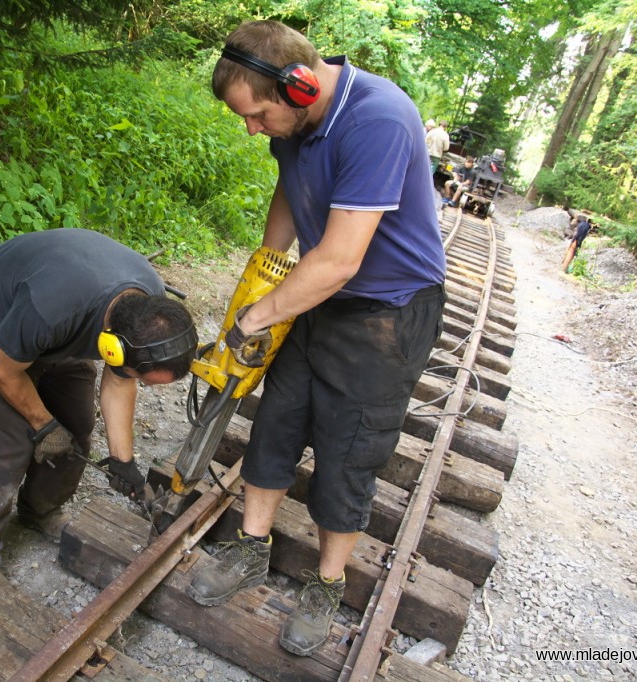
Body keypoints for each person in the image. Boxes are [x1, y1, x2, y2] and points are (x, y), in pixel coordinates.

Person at [185, 20, 447, 657]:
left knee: (348, 448)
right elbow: (290, 188)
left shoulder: (377, 119)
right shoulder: (295, 122)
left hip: (387, 310)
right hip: (316, 296)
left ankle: (328, 583)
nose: (251, 129)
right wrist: (265, 271)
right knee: (277, 419)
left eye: (255, 115)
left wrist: (256, 317)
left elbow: (339, 261)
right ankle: (251, 547)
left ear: (299, 87)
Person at [0, 228, 198, 579]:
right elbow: (1, 369)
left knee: (77, 426)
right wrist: (42, 424)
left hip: (60, 328)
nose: (143, 384)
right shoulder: (51, 309)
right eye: (144, 378)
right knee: (3, 447)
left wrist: (122, 461)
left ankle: (40, 511)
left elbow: (120, 381)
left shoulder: (148, 307)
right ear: (115, 349)